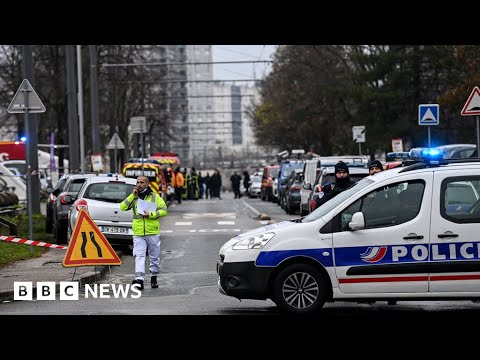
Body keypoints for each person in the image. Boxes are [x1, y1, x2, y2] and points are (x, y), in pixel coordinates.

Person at [120, 176, 168, 290]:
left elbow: (164, 210)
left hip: (152, 232)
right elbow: (122, 207)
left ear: (147, 184)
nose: (139, 184)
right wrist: (133, 195)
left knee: (154, 257)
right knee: (139, 256)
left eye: (142, 182)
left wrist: (151, 215)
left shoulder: (155, 197)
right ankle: (139, 280)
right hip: (138, 232)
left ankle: (154, 277)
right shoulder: (134, 197)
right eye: (137, 182)